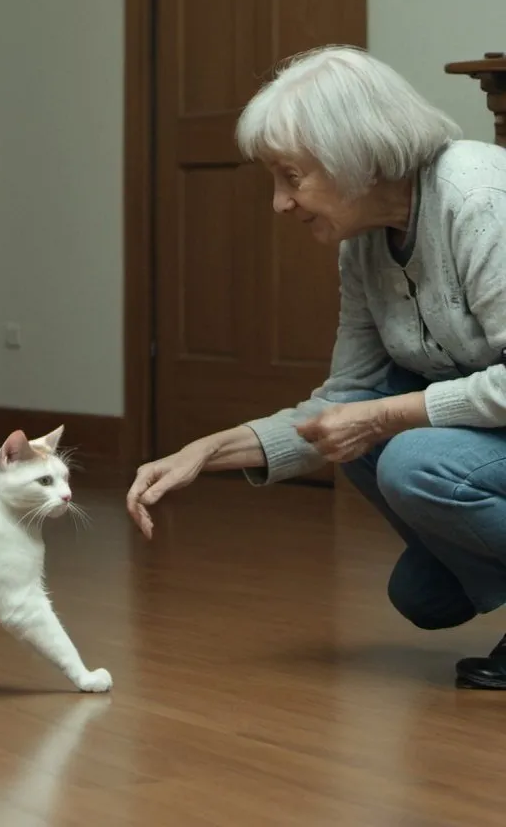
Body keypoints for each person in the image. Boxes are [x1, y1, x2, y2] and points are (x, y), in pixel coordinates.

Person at [127, 44, 506, 689]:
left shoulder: (479, 197)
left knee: (406, 456)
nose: (279, 203)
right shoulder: (362, 245)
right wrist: (206, 451)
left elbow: (376, 410)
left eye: (290, 176)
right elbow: (343, 399)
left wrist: (386, 414)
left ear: (357, 158)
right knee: (425, 594)